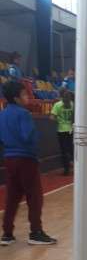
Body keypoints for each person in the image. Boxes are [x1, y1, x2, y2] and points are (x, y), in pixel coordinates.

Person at [0, 81, 57, 246]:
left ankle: (7, 234)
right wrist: (35, 149)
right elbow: (28, 137)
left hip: (9, 158)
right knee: (34, 196)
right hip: (26, 159)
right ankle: (36, 232)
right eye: (24, 94)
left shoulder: (2, 114)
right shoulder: (24, 114)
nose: (28, 96)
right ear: (16, 97)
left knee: (12, 197)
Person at [50, 88, 74, 176]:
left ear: (60, 95)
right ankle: (75, 164)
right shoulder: (72, 104)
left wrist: (59, 120)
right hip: (71, 129)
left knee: (64, 150)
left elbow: (52, 117)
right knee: (71, 148)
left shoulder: (57, 105)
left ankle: (66, 169)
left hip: (61, 130)